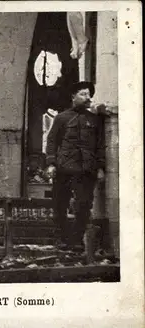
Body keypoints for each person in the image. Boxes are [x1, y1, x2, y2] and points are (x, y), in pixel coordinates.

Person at [46, 81, 105, 259]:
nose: (88, 98)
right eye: (83, 94)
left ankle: (77, 241)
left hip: (86, 170)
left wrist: (100, 167)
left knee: (83, 206)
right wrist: (51, 164)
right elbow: (51, 142)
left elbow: (100, 145)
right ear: (73, 97)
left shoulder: (95, 120)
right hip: (64, 169)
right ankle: (61, 240)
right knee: (60, 204)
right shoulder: (62, 118)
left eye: (89, 94)